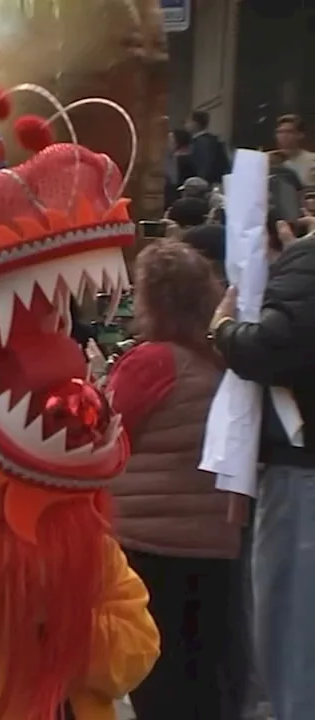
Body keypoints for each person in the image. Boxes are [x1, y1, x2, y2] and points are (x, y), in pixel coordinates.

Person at [107, 241, 240, 720]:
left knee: (159, 683)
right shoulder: (223, 361)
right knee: (204, 683)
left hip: (148, 544)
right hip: (218, 544)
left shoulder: (151, 361)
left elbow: (105, 435)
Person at [211, 224, 315, 720]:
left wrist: (224, 330)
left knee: (293, 644)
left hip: (302, 475)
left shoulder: (307, 260)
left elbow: (274, 346)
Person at [185, 110, 229, 187]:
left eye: (188, 122)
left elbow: (204, 165)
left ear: (196, 123)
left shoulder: (202, 142)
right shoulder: (211, 140)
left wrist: (200, 184)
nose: (186, 125)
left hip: (203, 185)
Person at [274, 114, 315, 189]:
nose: (284, 135)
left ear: (300, 134)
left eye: (289, 132)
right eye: (280, 132)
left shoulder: (312, 161)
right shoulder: (268, 160)